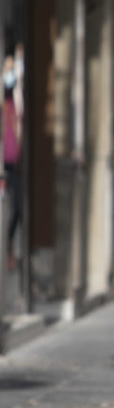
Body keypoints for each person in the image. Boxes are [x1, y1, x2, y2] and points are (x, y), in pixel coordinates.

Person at [2, 54, 22, 270]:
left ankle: (9, 250)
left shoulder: (15, 105)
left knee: (17, 209)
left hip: (15, 163)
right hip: (5, 164)